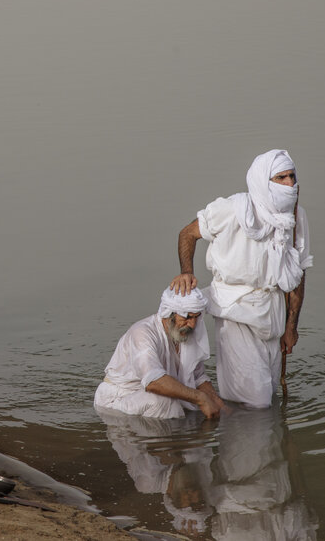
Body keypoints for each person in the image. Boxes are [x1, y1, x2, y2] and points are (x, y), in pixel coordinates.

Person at [170, 149, 313, 408]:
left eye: (292, 176)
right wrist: (187, 272)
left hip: (274, 313)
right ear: (262, 181)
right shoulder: (232, 209)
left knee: (267, 394)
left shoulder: (295, 217)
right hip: (235, 311)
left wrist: (291, 327)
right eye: (280, 178)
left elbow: (297, 274)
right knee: (255, 403)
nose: (290, 184)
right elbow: (187, 234)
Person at [94, 287, 226, 419]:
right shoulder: (142, 333)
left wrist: (221, 406)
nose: (192, 324)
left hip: (145, 396)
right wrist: (201, 398)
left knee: (199, 406)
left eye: (196, 317)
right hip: (118, 400)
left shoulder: (184, 332)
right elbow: (153, 382)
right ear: (170, 314)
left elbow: (198, 377)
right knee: (165, 402)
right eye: (188, 317)